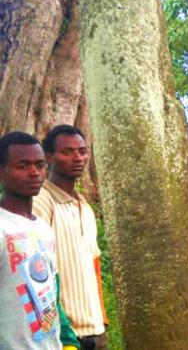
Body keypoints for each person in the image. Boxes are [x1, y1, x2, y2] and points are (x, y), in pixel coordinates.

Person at [0, 131, 79, 350]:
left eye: (40, 165)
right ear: (1, 171)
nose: (34, 172)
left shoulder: (42, 228)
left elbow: (52, 291)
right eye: (22, 166)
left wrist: (69, 342)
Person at [33, 125, 108, 350]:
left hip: (95, 334)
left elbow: (94, 265)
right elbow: (35, 274)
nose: (78, 158)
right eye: (67, 152)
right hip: (63, 336)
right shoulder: (40, 201)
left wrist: (101, 320)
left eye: (82, 151)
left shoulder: (84, 205)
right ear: (49, 158)